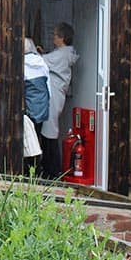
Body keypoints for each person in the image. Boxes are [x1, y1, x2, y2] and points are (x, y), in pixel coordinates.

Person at [39, 22, 79, 178]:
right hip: (57, 94)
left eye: (55, 35)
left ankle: (53, 171)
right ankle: (50, 169)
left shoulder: (62, 54)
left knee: (50, 132)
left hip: (54, 95)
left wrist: (34, 52)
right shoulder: (64, 53)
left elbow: (42, 61)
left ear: (62, 38)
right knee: (50, 130)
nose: (53, 38)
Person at [23, 38, 49, 168]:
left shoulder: (22, 64)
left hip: (29, 109)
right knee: (37, 138)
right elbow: (48, 86)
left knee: (27, 140)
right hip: (42, 107)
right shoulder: (41, 62)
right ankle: (37, 168)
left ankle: (29, 169)